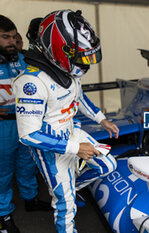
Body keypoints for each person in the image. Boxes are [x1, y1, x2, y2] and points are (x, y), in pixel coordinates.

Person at [13, 10, 119, 233]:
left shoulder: (66, 71)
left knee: (108, 165)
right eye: (81, 58)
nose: (85, 64)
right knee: (65, 206)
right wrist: (76, 148)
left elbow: (78, 97)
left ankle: (67, 188)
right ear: (57, 49)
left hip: (72, 132)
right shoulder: (30, 82)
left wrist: (102, 120)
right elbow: (28, 135)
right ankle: (64, 197)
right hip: (49, 147)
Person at [0, 15, 51, 233]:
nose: (12, 41)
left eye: (13, 37)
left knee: (27, 163)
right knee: (3, 172)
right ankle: (3, 214)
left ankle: (30, 199)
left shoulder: (23, 60)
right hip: (3, 127)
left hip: (27, 123)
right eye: (5, 37)